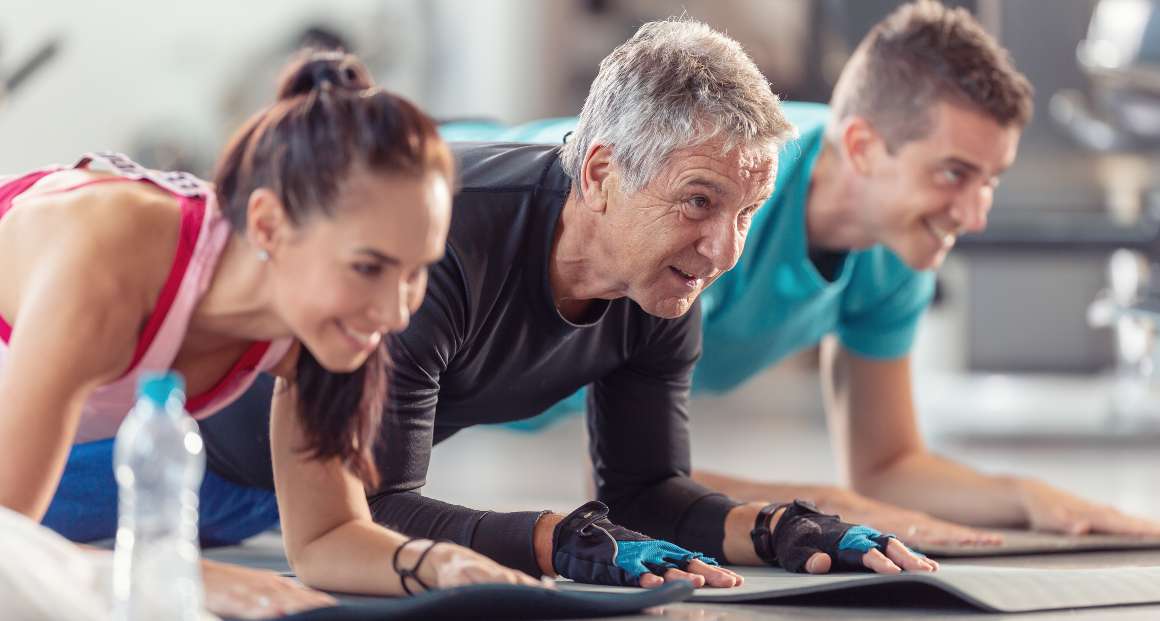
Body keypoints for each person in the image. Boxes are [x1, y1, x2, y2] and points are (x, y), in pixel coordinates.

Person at [202, 18, 938, 589]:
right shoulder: (440, 243)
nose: (723, 251)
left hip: (288, 503)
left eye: (746, 212)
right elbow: (377, 506)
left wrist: (781, 528)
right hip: (164, 449)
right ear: (600, 174)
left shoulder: (662, 286)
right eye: (698, 201)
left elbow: (644, 491)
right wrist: (560, 539)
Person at [444, 1, 1160, 546]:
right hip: (439, 226)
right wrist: (833, 507)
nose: (974, 214)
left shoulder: (891, 252)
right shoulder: (711, 195)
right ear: (863, 145)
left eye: (991, 181)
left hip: (501, 392)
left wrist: (1030, 498)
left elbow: (884, 463)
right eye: (953, 174)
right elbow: (625, 483)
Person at [0, 50, 542, 620]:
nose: (396, 313)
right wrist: (178, 574)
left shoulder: (310, 321)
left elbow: (326, 537)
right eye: (368, 267)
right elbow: (10, 548)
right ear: (267, 225)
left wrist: (438, 565)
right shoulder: (104, 266)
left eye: (415, 273)